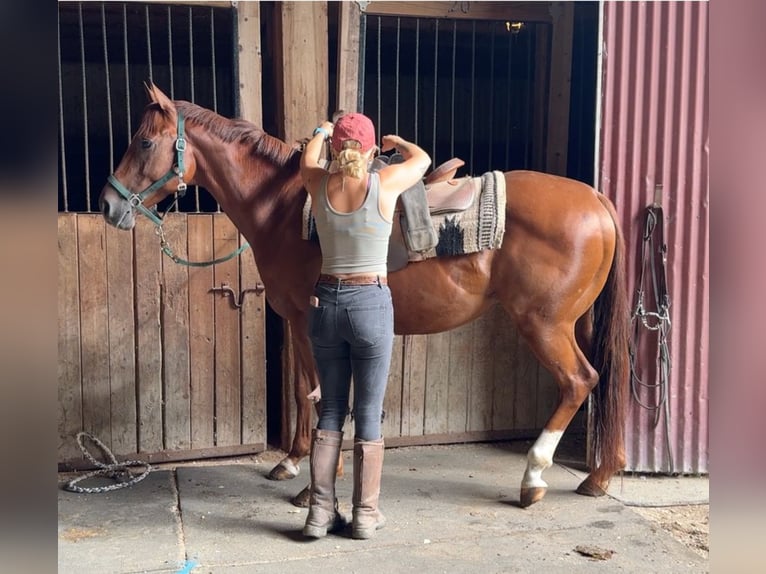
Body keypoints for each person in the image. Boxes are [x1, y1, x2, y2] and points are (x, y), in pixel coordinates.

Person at [299, 113, 431, 539]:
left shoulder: (317, 183)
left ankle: (319, 514)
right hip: (370, 303)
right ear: (372, 152)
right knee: (368, 412)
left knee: (332, 409)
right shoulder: (385, 181)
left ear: (336, 149)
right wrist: (400, 142)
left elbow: (308, 158)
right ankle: (365, 515)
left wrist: (320, 133)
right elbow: (424, 160)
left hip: (326, 304)